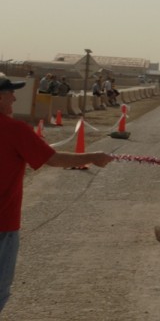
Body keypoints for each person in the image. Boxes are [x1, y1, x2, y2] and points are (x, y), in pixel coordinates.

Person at [0, 74, 113, 313]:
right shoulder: (14, 130)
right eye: (10, 92)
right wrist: (92, 157)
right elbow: (53, 159)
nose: (14, 96)